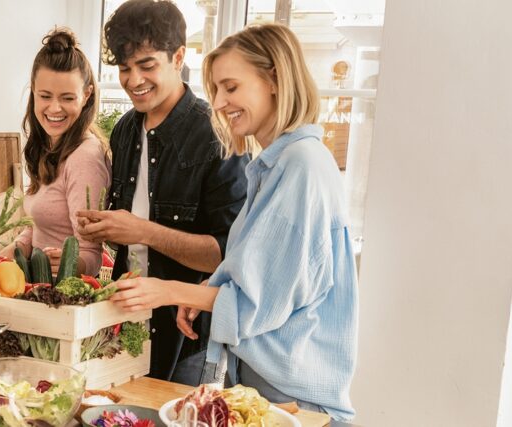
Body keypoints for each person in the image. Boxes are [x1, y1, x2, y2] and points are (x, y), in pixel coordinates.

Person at [108, 24, 358, 420]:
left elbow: (254, 305)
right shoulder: (273, 165)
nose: (221, 103)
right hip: (267, 387)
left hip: (294, 401)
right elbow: (264, 273)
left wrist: (169, 291)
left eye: (231, 87)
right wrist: (209, 287)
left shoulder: (301, 167)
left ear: (274, 79)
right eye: (217, 90)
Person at [76, 0, 249, 385]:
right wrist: (102, 228)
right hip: (127, 327)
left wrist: (141, 230)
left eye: (147, 65)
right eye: (124, 68)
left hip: (188, 340)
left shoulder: (216, 134)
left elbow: (227, 255)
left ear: (179, 57)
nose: (133, 80)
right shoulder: (123, 131)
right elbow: (127, 238)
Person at [0, 28, 110, 277]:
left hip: (63, 300)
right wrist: (17, 247)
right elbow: (44, 221)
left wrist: (71, 264)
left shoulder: (84, 158)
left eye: (67, 98)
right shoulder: (48, 146)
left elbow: (92, 253)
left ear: (86, 95)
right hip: (36, 289)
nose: (54, 108)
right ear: (33, 92)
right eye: (45, 96)